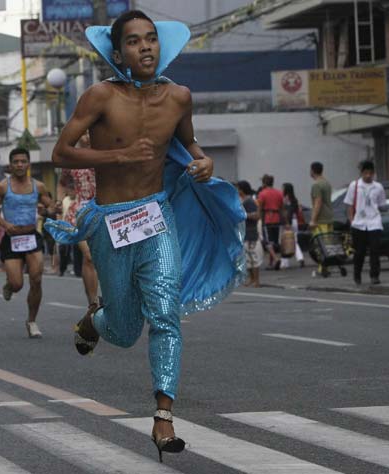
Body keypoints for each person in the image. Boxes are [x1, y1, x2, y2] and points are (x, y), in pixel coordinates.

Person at [44, 10, 245, 462]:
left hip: (157, 215)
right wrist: (118, 156)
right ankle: (93, 320)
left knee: (166, 314)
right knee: (123, 330)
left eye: (151, 39)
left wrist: (204, 160)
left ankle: (163, 416)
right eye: (134, 42)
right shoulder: (99, 96)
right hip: (111, 219)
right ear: (118, 53)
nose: (145, 47)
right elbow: (61, 152)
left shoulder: (179, 97)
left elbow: (189, 145)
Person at [0, 147, 53, 339]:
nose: (19, 164)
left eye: (23, 161)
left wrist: (47, 210)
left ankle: (32, 321)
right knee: (18, 283)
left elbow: (49, 205)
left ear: (28, 164)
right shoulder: (2, 186)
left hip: (31, 236)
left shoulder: (38, 186)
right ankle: (9, 286)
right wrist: (4, 224)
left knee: (36, 278)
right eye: (16, 161)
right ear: (10, 165)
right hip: (11, 238)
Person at [56, 132, 100, 308]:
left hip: (104, 211)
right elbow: (62, 182)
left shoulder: (104, 154)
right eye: (84, 132)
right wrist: (59, 202)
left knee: (106, 258)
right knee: (88, 257)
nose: (88, 136)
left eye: (91, 132)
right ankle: (93, 304)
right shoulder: (72, 158)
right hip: (79, 212)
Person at [344, 160, 386, 285]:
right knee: (360, 252)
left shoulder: (378, 187)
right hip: (359, 223)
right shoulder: (355, 185)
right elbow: (349, 205)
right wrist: (352, 221)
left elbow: (381, 204)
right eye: (365, 173)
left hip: (374, 222)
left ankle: (374, 276)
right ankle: (357, 275)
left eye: (370, 173)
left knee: (375, 250)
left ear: (373, 173)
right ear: (361, 173)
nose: (368, 175)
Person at [309, 162, 334, 276]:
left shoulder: (316, 185)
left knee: (320, 244)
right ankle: (326, 266)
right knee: (328, 243)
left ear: (313, 171)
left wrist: (313, 219)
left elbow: (317, 202)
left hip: (321, 219)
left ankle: (322, 268)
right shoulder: (327, 183)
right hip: (329, 217)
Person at [237, 181, 262, 287]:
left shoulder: (249, 201)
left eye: (238, 188)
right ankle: (252, 279)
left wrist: (244, 215)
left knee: (253, 256)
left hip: (251, 232)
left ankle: (256, 280)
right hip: (246, 232)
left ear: (242, 190)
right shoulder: (244, 200)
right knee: (248, 257)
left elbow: (256, 215)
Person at [257, 174, 283, 270]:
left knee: (268, 242)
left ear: (264, 182)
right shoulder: (279, 193)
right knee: (274, 242)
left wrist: (258, 218)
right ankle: (271, 263)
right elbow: (282, 208)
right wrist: (286, 222)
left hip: (267, 219)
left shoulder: (262, 194)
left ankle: (276, 259)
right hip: (277, 219)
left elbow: (259, 208)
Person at [280, 183, 304, 269]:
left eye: (282, 188)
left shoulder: (284, 199)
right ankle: (300, 257)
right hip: (295, 221)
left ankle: (285, 262)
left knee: (284, 241)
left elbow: (285, 212)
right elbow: (297, 211)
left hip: (287, 222)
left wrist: (286, 222)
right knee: (294, 240)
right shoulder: (294, 199)